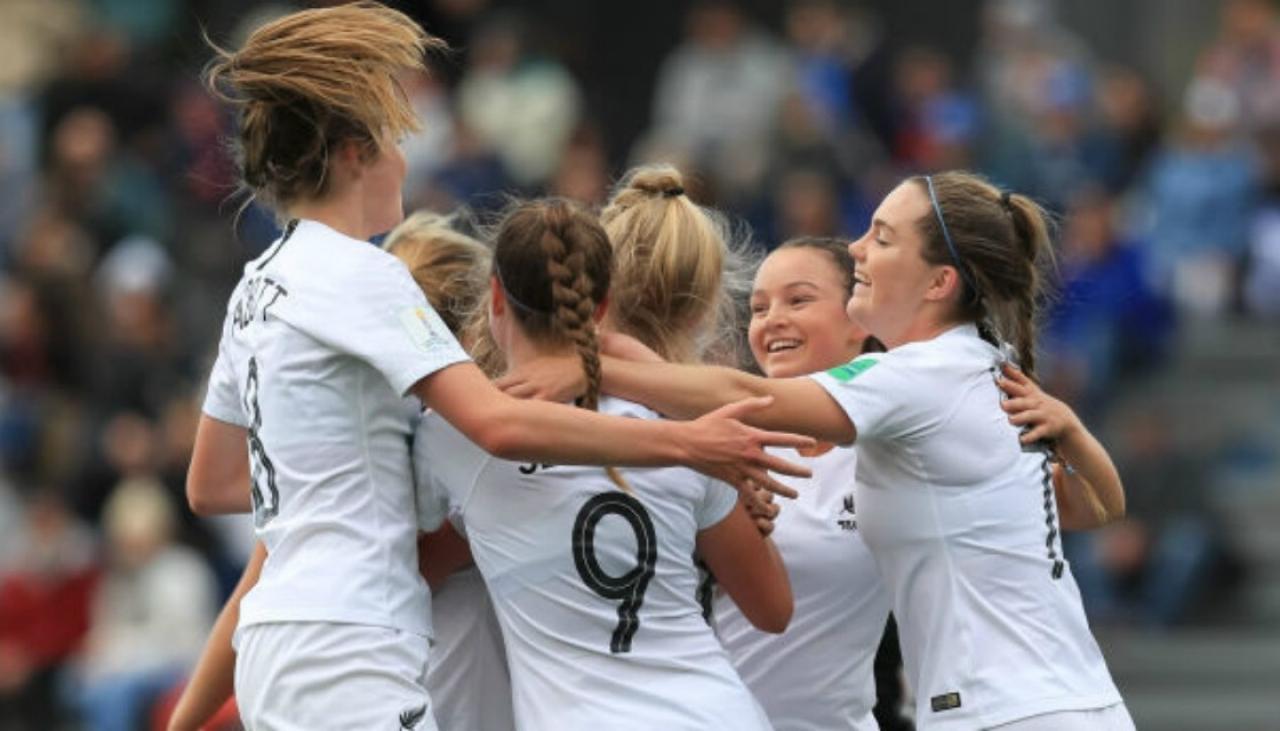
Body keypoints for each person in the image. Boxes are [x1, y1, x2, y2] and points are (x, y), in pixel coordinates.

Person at [185, 5, 809, 730]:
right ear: (354, 152)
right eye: (394, 140)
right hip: (352, 640)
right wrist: (690, 443)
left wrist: (367, 472)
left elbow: (215, 482)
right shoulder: (361, 273)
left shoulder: (257, 284)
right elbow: (500, 423)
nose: (404, 160)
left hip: (275, 636)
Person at [502, 170, 1130, 730]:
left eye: (881, 238)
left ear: (940, 282)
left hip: (1011, 709)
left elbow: (749, 397)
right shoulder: (973, 368)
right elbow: (1092, 508)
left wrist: (591, 368)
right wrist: (1072, 430)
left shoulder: (921, 376)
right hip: (1057, 698)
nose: (858, 247)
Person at [415, 197, 792, 730]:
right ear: (600, 307)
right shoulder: (687, 431)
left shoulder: (455, 438)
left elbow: (412, 573)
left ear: (495, 299)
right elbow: (773, 609)